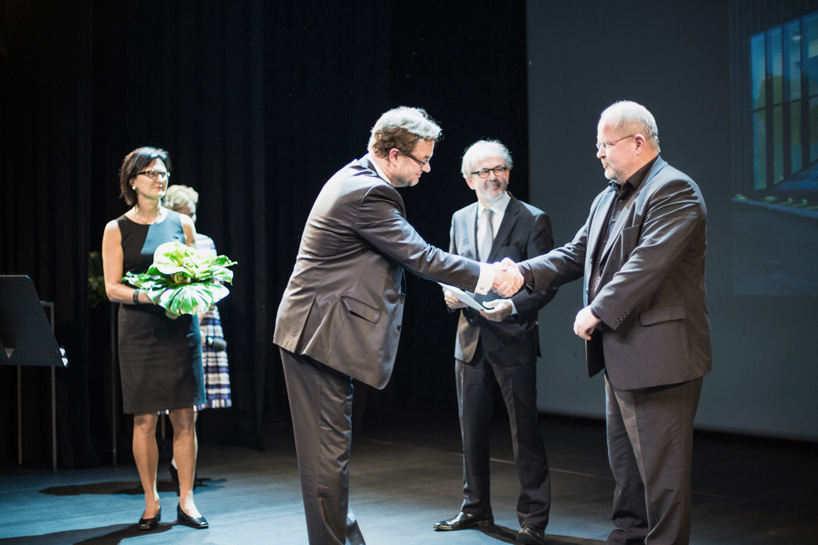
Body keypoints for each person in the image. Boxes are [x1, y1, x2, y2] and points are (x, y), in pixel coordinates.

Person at [273, 107, 524, 545]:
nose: (427, 168)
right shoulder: (369, 193)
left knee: (329, 458)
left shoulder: (358, 178)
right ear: (393, 154)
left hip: (321, 334)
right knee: (325, 461)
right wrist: (489, 276)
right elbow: (422, 256)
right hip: (319, 337)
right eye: (422, 160)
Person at [499, 101, 711, 545]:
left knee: (663, 477)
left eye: (605, 144)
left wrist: (596, 309)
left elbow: (646, 265)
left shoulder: (674, 190)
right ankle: (628, 537)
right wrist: (523, 272)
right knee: (628, 471)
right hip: (620, 354)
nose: (598, 153)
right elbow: (576, 254)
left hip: (661, 357)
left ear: (638, 142)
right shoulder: (606, 199)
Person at [434, 140, 557, 545]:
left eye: (499, 168)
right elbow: (453, 268)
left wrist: (512, 306)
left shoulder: (532, 219)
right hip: (469, 341)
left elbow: (545, 284)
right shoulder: (459, 218)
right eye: (484, 171)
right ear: (469, 179)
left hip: (513, 339)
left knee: (525, 434)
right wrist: (450, 294)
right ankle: (475, 509)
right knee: (472, 432)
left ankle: (533, 519)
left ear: (509, 172)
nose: (493, 177)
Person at [101, 147, 209, 531]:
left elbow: (197, 275)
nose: (159, 179)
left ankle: (187, 500)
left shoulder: (182, 223)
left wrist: (194, 293)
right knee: (145, 419)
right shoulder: (116, 228)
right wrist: (147, 295)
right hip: (140, 331)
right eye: (150, 173)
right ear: (133, 181)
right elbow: (112, 288)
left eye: (162, 173)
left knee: (185, 416)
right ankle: (151, 502)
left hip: (179, 328)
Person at [163, 184, 233, 487]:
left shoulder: (204, 242)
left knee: (195, 397)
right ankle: (180, 460)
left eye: (192, 213)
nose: (190, 218)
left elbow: (217, 280)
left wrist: (202, 305)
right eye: (185, 213)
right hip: (173, 323)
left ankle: (182, 461)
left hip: (204, 321)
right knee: (176, 396)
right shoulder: (163, 245)